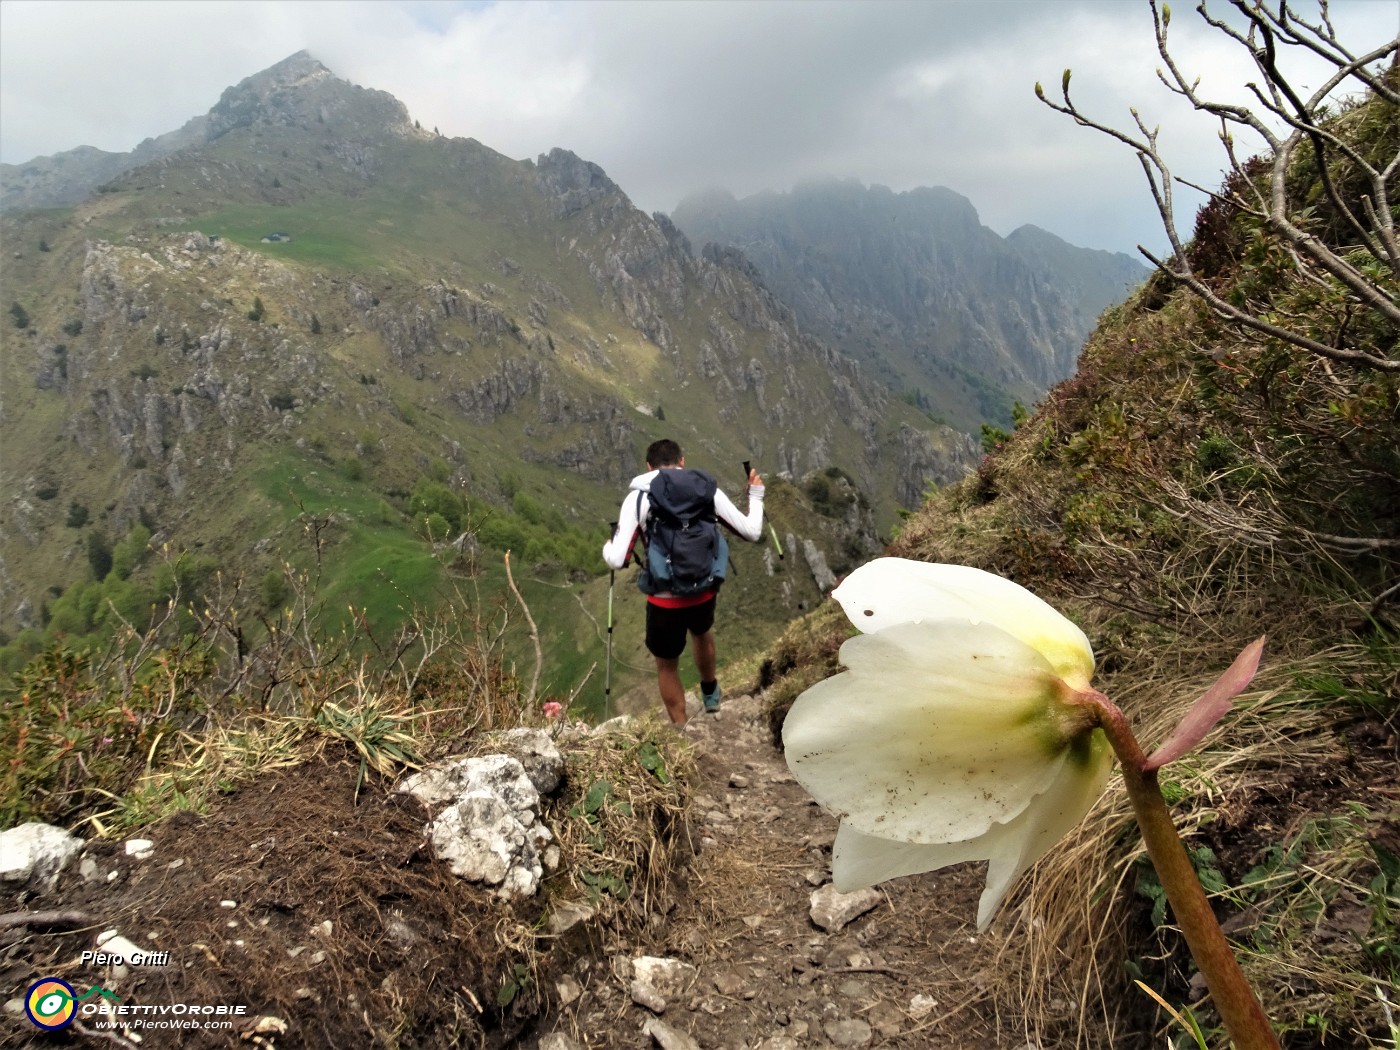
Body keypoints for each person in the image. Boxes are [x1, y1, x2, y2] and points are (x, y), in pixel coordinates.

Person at [602, 439, 764, 724]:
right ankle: (711, 694)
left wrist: (607, 545)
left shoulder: (638, 498)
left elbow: (617, 560)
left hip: (663, 599)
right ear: (682, 461)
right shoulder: (704, 489)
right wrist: (757, 495)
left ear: (649, 466)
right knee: (702, 633)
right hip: (703, 589)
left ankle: (681, 730)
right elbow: (751, 531)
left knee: (666, 665)